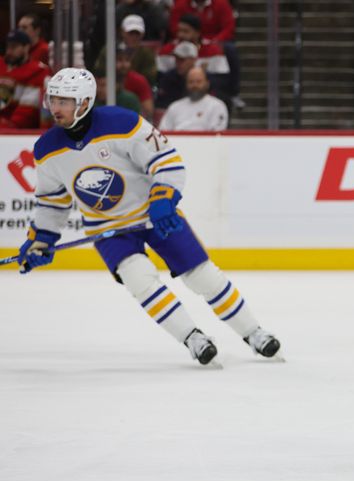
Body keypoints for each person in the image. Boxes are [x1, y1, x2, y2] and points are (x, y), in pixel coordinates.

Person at [16, 68, 280, 366]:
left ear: (84, 102)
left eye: (64, 101)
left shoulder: (122, 122)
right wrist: (40, 241)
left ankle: (254, 333)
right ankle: (193, 338)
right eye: (53, 100)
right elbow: (52, 203)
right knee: (140, 280)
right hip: (108, 229)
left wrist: (163, 197)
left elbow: (166, 160)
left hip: (152, 214)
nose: (55, 108)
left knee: (202, 275)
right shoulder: (47, 149)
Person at [0, 30, 50, 129]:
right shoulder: (1, 65)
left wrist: (5, 126)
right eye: (8, 47)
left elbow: (24, 117)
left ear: (26, 47)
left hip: (18, 133)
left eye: (14, 47)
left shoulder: (38, 72)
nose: (9, 51)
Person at [94, 15, 158, 85]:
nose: (134, 37)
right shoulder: (109, 50)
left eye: (137, 33)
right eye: (130, 33)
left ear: (142, 34)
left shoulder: (147, 54)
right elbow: (99, 71)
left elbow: (150, 77)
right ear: (122, 32)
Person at [160, 67, 228, 131]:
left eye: (198, 81)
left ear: (207, 84)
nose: (194, 85)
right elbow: (163, 132)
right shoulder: (174, 106)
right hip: (176, 142)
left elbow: (217, 134)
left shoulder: (217, 106)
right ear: (186, 84)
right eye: (191, 82)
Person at [155, 42, 198, 109]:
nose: (178, 63)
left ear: (193, 60)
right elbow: (160, 104)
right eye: (176, 59)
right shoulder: (168, 78)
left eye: (182, 60)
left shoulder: (204, 79)